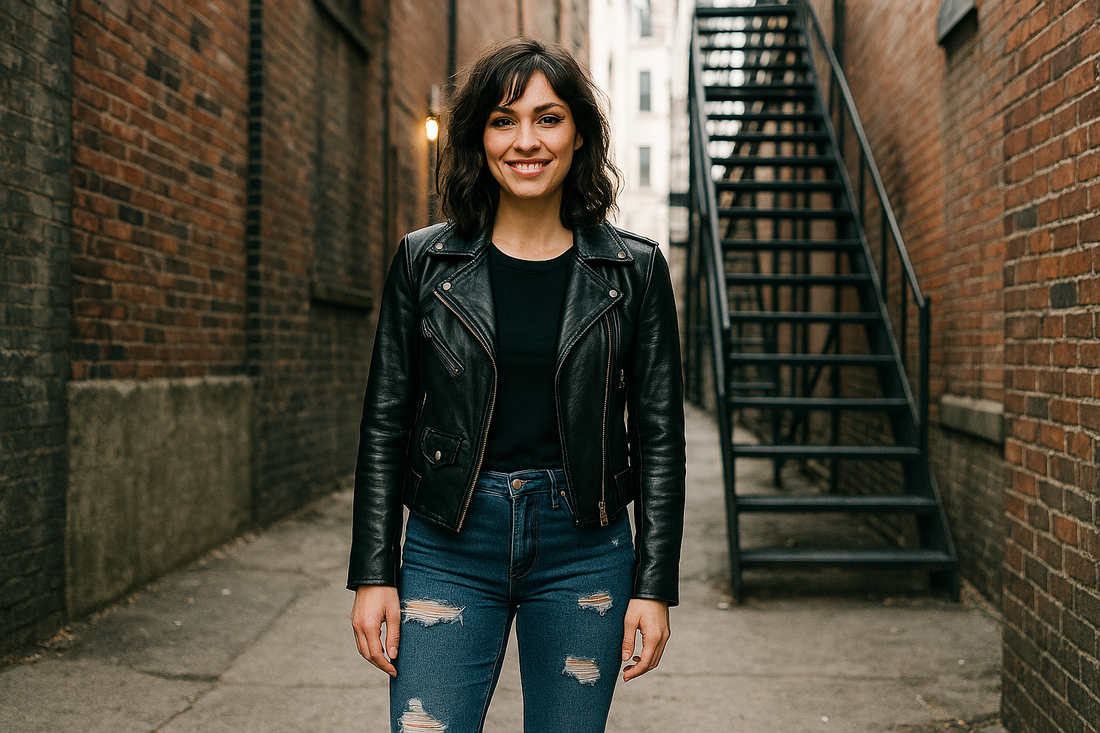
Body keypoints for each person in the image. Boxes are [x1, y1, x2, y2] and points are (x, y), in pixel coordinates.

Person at [348, 36, 686, 733]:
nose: (525, 140)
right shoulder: (425, 261)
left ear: (580, 134)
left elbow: (658, 435)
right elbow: (386, 420)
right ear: (478, 137)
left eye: (548, 117)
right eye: (503, 120)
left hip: (585, 546)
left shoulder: (635, 272)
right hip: (449, 541)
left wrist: (653, 586)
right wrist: (374, 572)